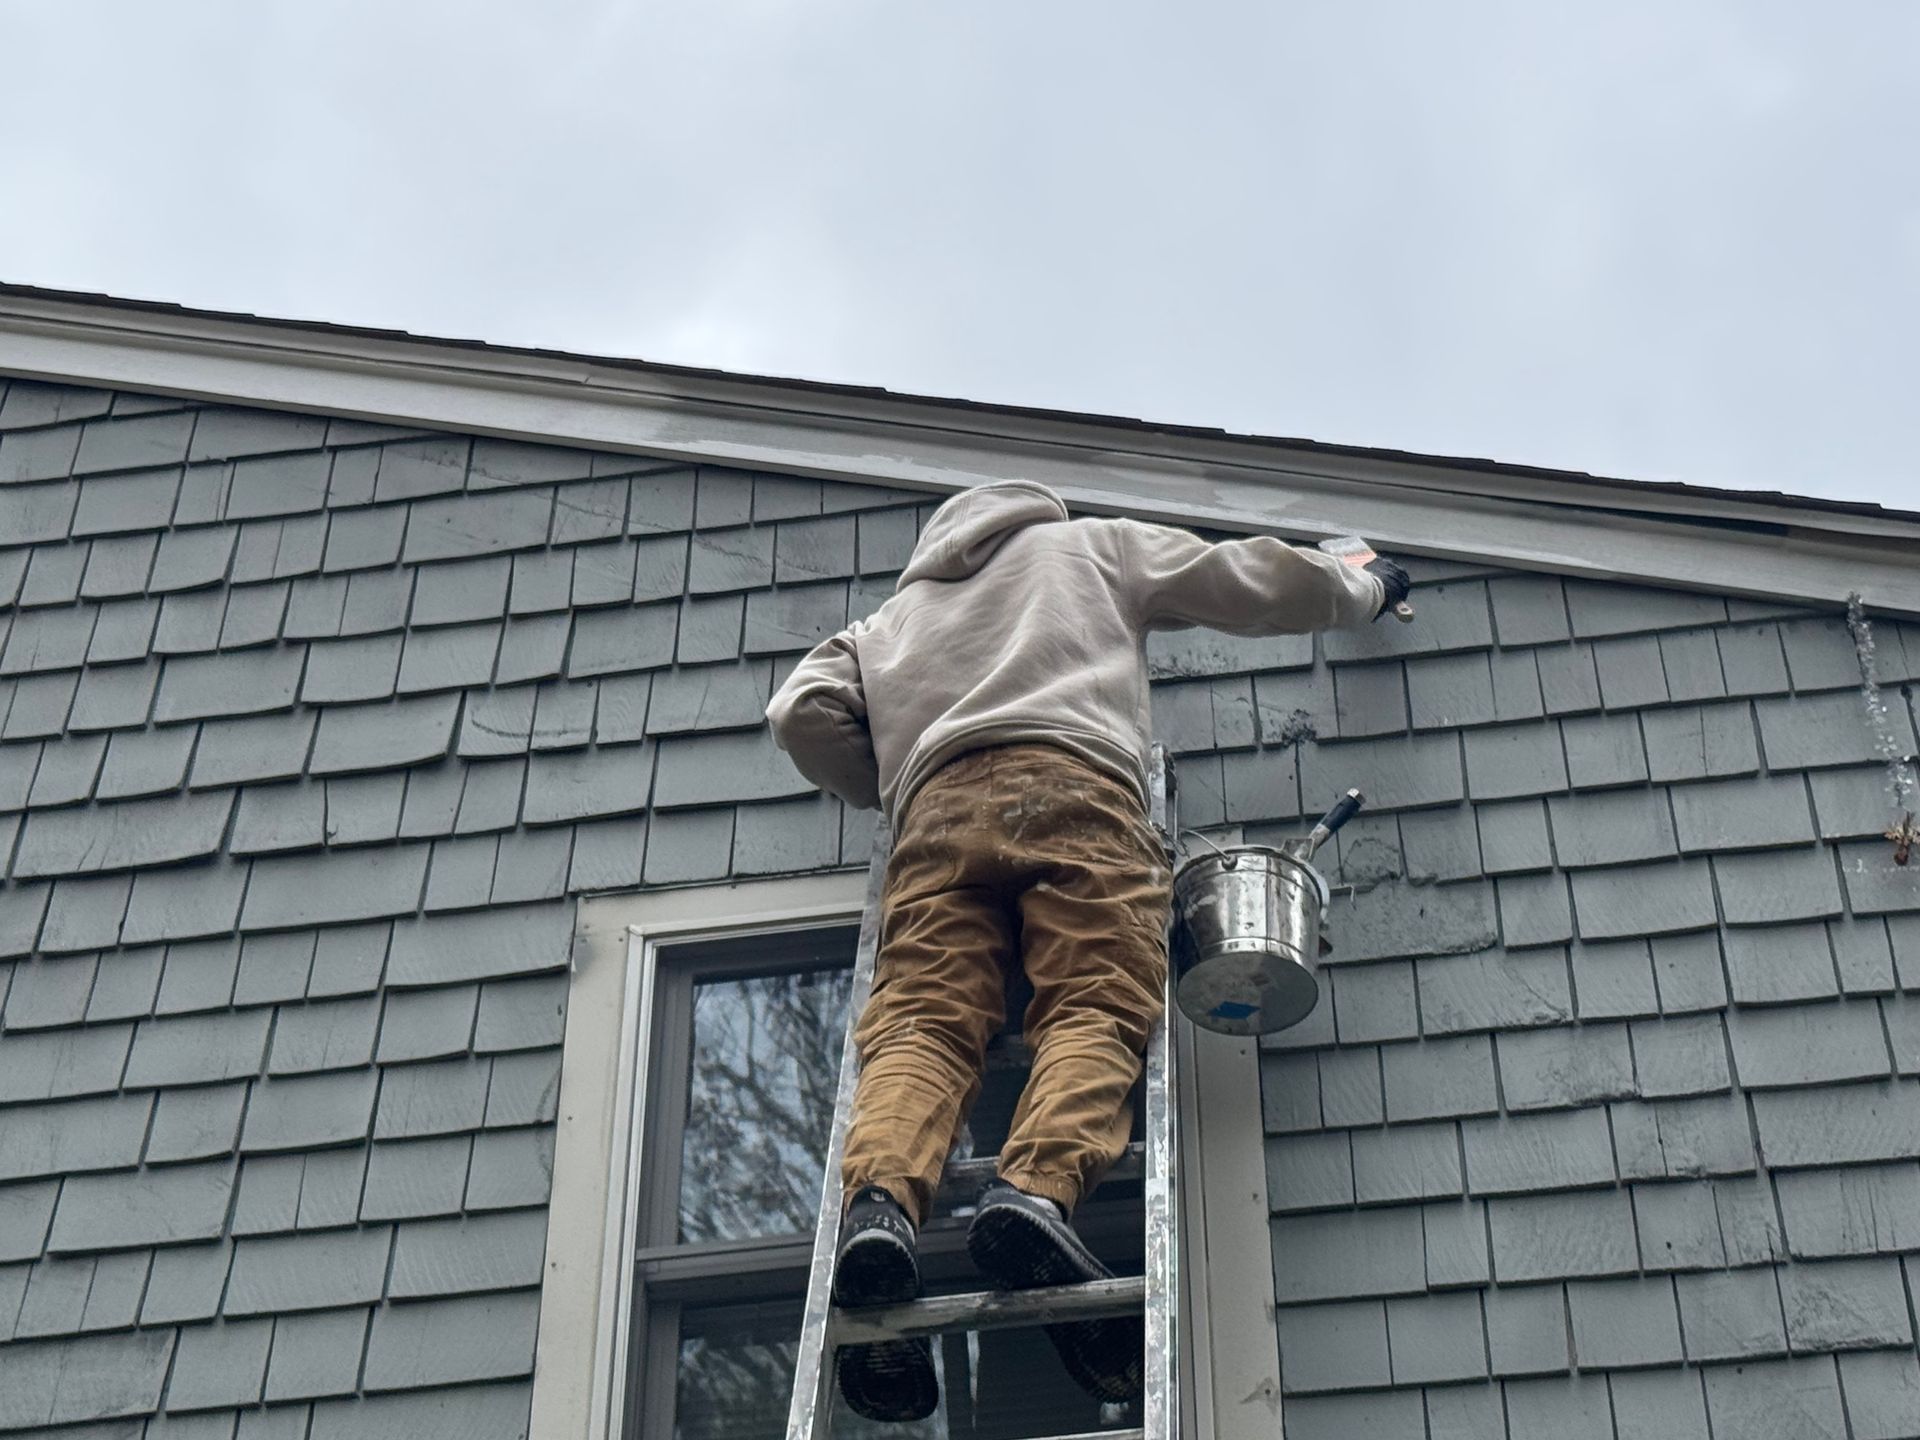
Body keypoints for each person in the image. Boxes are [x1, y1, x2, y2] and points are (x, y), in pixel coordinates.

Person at [766, 479, 1410, 1423]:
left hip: (933, 818)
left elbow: (800, 710)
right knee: (1094, 1001)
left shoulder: (888, 623)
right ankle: (1034, 1192)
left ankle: (879, 1210)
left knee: (923, 1023)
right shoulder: (1089, 547)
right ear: (1036, 510)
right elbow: (1243, 577)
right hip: (1076, 786)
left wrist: (894, 774)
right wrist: (1362, 585)